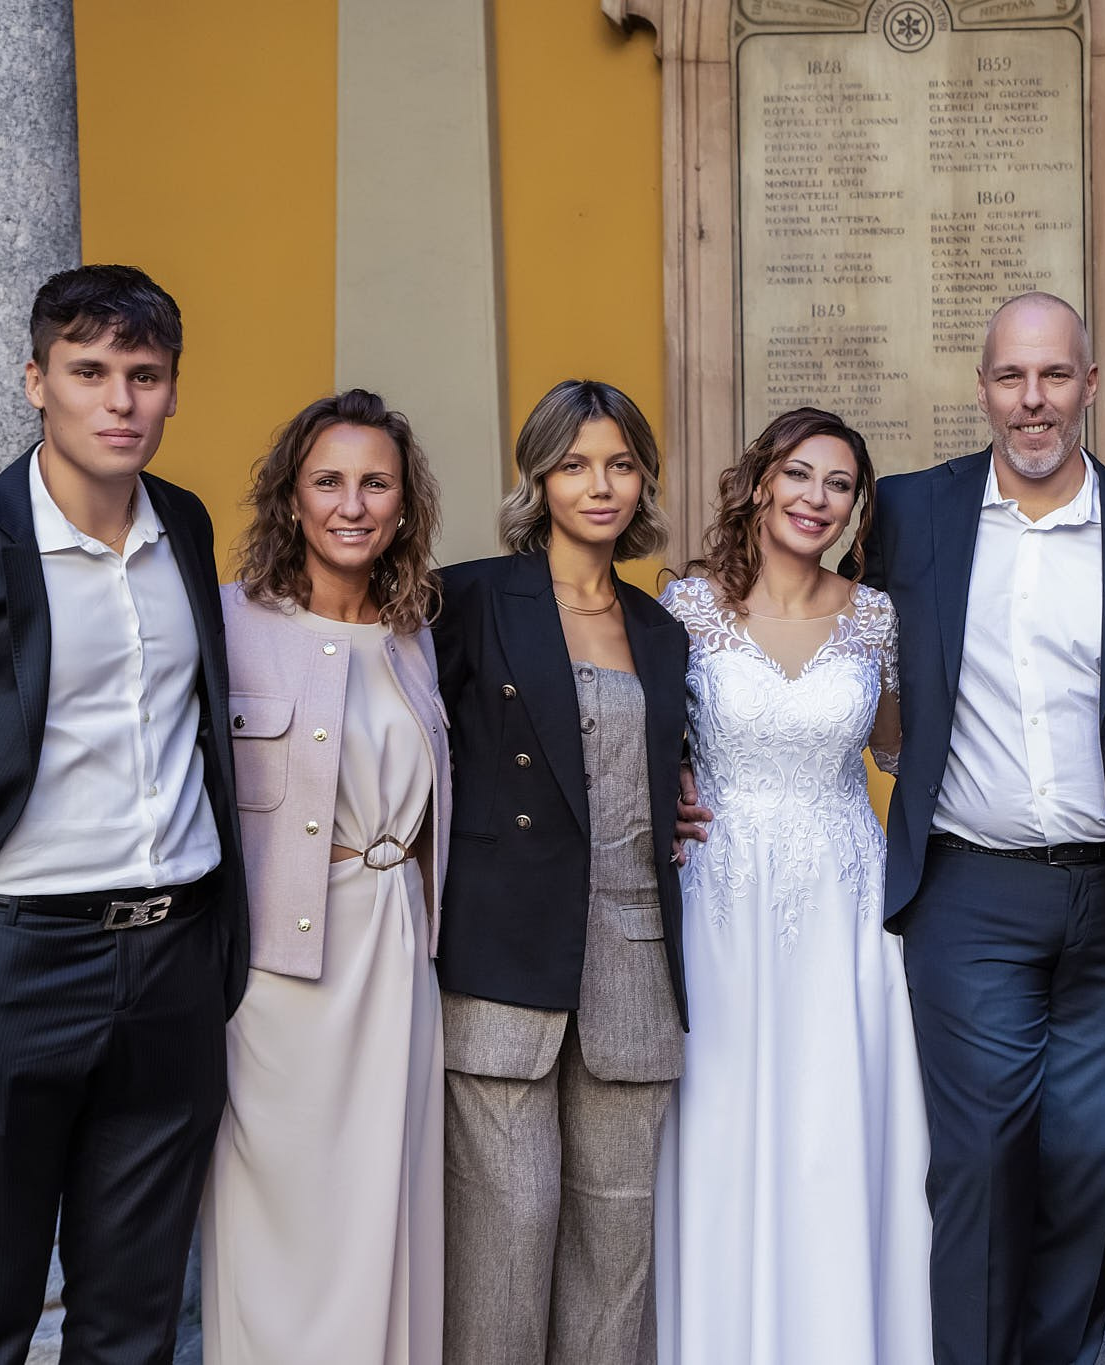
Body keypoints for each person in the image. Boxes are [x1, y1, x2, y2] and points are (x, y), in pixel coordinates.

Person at [0, 264, 247, 1364]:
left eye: (143, 375)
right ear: (34, 381)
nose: (119, 400)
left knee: (134, 1323)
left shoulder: (184, 528)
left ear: (174, 389)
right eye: (88, 371)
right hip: (5, 968)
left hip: (172, 967)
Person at [856, 291, 1105, 1365]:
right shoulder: (909, 515)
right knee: (976, 1165)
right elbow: (804, 621)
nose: (1032, 400)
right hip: (970, 892)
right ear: (981, 390)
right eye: (1011, 378)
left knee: (1087, 1169)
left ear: (1089, 386)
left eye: (1054, 376)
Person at [653, 406, 931, 1365]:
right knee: (721, 1119)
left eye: (841, 485)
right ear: (762, 482)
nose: (819, 499)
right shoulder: (684, 608)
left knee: (832, 1126)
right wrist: (671, 783)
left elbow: (897, 746)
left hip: (844, 897)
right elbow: (644, 739)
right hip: (719, 895)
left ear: (857, 507)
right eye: (802, 475)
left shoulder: (877, 617)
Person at [433, 378, 689, 1365]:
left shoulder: (660, 631)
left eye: (619, 464)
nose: (599, 485)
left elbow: (669, 766)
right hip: (500, 959)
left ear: (643, 481)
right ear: (537, 478)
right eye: (575, 463)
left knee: (614, 1245)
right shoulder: (468, 600)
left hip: (632, 965)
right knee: (507, 1232)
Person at [200, 389, 450, 1364]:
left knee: (389, 1210)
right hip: (274, 983)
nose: (353, 504)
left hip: (398, 957)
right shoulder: (225, 624)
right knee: (278, 1234)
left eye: (375, 482)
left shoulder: (423, 635)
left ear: (403, 503)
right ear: (290, 498)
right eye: (329, 481)